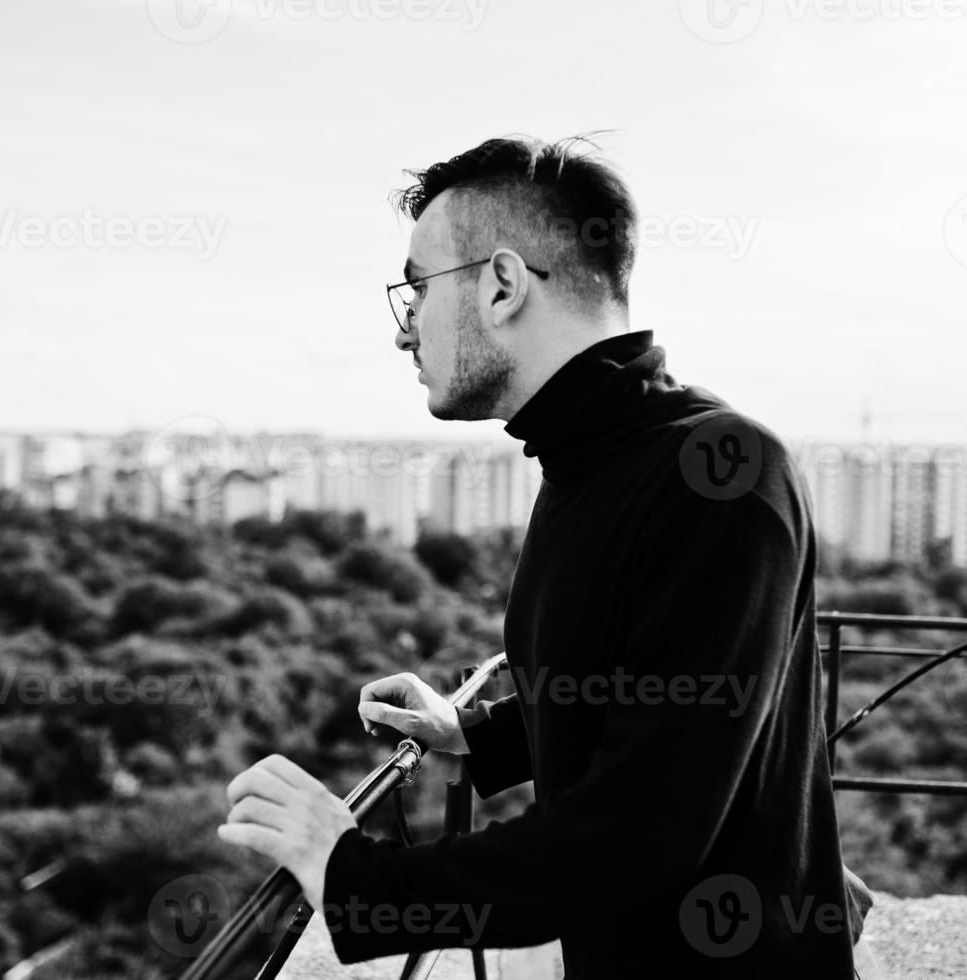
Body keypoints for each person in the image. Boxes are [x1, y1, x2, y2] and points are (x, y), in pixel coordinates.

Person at [218, 135, 869, 977]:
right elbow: (642, 681)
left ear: (500, 285)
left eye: (415, 288)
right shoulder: (596, 458)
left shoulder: (720, 474)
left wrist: (356, 876)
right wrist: (475, 735)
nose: (402, 330)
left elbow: (641, 831)